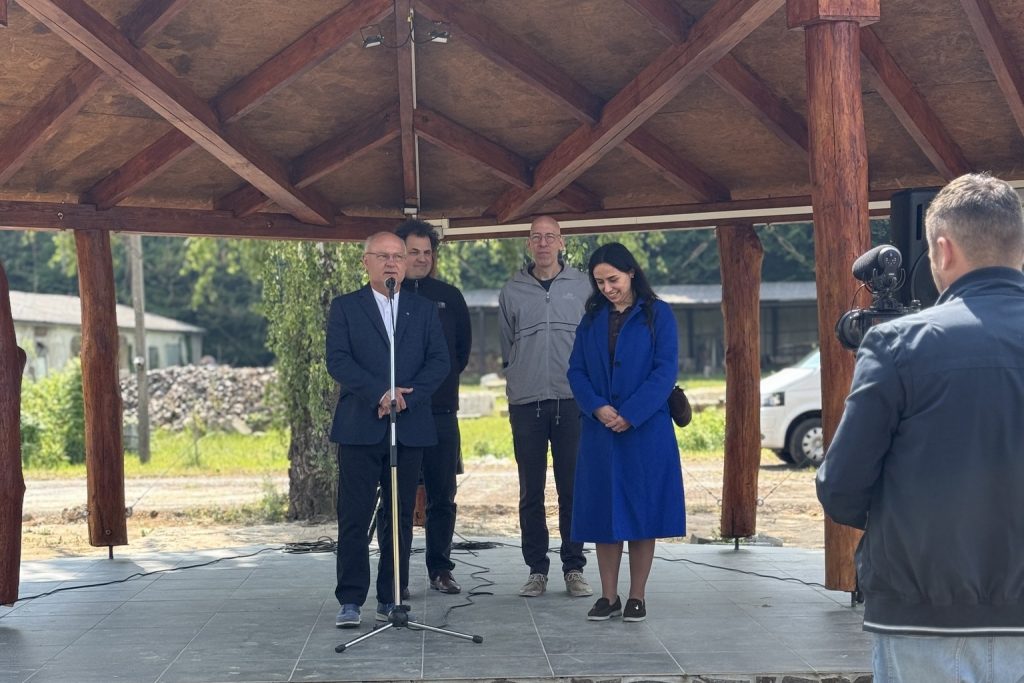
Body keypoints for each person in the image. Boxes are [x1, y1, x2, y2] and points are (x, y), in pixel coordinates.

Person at [816, 173, 1024, 681]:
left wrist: (906, 520)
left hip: (922, 614)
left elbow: (841, 486)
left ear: (943, 250)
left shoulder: (898, 345)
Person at [327, 231, 449, 629]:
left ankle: (391, 596)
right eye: (383, 256)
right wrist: (379, 393)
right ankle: (350, 599)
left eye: (398, 256)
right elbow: (338, 361)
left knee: (398, 517)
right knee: (354, 515)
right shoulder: (346, 307)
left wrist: (406, 398)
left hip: (408, 427)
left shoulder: (422, 309)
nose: (392, 263)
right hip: (360, 426)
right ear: (366, 262)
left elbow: (439, 361)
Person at [566, 243, 685, 622]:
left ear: (631, 272)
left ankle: (637, 596)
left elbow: (665, 371)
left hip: (645, 431)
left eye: (613, 279)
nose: (607, 288)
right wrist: (597, 406)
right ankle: (608, 596)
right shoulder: (591, 319)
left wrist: (631, 413)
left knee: (642, 512)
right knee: (604, 513)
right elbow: (576, 370)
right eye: (599, 282)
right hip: (600, 430)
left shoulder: (658, 314)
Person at [499, 215, 593, 598]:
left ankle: (574, 567)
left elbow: (592, 342)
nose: (543, 243)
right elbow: (507, 346)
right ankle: (537, 569)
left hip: (572, 402)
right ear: (528, 244)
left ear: (561, 242)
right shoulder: (512, 291)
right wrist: (520, 375)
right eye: (536, 237)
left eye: (549, 236)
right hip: (527, 404)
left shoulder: (583, 286)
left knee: (572, 489)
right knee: (530, 491)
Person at [393, 219, 472, 595]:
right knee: (400, 499)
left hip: (441, 412)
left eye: (427, 252)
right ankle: (396, 576)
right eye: (414, 252)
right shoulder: (386, 296)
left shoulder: (450, 297)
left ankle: (440, 569)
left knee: (443, 497)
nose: (422, 258)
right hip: (400, 414)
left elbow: (461, 354)